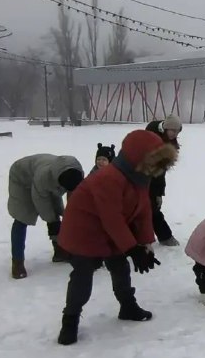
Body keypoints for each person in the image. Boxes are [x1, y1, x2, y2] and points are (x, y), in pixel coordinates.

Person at [56, 129, 178, 345]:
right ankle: (70, 320)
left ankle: (127, 306)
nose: (157, 168)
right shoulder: (108, 178)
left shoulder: (140, 176)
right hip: (83, 231)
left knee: (120, 268)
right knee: (83, 276)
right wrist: (131, 248)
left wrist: (145, 244)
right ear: (138, 158)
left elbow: (143, 210)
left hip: (112, 231)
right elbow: (111, 217)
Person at [7, 153, 85, 279]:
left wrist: (70, 214)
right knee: (22, 217)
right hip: (21, 178)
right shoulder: (43, 177)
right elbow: (41, 201)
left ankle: (59, 251)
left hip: (49, 179)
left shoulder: (76, 174)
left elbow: (74, 196)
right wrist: (52, 221)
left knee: (55, 212)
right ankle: (17, 262)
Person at [145, 114, 182, 246]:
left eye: (177, 131)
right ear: (165, 128)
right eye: (172, 130)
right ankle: (163, 236)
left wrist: (159, 193)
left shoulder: (170, 143)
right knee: (145, 208)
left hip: (155, 178)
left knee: (152, 207)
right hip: (141, 174)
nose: (175, 134)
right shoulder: (151, 133)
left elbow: (161, 172)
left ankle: (164, 236)